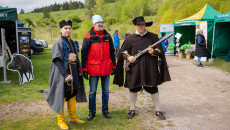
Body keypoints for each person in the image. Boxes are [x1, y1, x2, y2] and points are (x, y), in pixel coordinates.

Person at [113, 16, 171, 120]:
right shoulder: (129, 39)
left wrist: (153, 52)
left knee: (153, 89)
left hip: (150, 68)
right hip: (135, 68)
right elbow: (123, 52)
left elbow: (160, 51)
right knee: (133, 88)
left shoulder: (153, 37)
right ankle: (132, 109)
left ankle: (158, 110)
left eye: (143, 24)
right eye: (139, 25)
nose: (141, 27)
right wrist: (129, 57)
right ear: (135, 26)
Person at [44, 20, 87, 130]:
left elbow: (75, 57)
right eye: (65, 28)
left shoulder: (72, 42)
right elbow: (57, 60)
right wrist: (65, 74)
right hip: (62, 74)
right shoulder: (58, 43)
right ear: (61, 30)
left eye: (69, 28)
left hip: (74, 72)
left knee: (72, 93)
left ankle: (73, 117)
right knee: (61, 96)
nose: (68, 30)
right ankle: (60, 121)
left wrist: (79, 69)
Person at [81, 15, 116, 121]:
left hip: (106, 68)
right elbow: (83, 54)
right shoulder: (88, 36)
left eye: (101, 22)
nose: (100, 24)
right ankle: (92, 112)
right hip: (93, 69)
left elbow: (112, 52)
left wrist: (114, 66)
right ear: (94, 24)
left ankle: (105, 110)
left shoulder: (107, 36)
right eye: (98, 22)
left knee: (106, 91)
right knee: (92, 92)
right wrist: (84, 69)